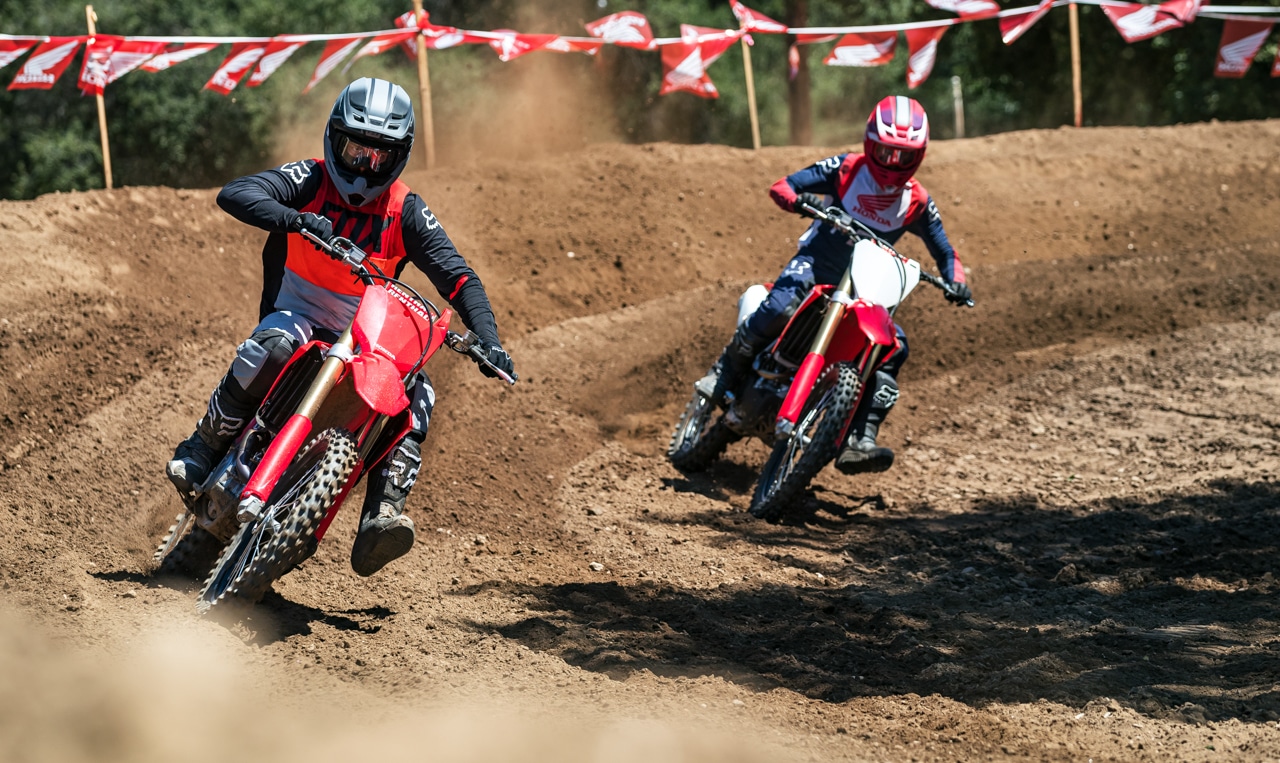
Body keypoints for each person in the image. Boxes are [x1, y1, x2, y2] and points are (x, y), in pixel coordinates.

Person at [166, 77, 514, 577]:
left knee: (417, 397)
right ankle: (204, 446)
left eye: (379, 156)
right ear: (334, 138)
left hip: (368, 338)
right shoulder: (310, 180)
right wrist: (297, 219)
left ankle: (382, 515)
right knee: (274, 345)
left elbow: (458, 277)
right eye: (356, 149)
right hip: (298, 313)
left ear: (399, 155)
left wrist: (489, 339)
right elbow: (236, 193)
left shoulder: (406, 210)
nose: (365, 165)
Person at [698, 95, 971, 476]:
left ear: (919, 155)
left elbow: (946, 252)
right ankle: (724, 372)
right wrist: (799, 201)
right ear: (868, 143)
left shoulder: (918, 201)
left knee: (893, 347)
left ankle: (860, 439)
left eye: (903, 156)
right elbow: (783, 185)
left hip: (865, 285)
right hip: (816, 265)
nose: (892, 164)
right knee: (779, 307)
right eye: (885, 152)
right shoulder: (845, 168)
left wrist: (956, 282)